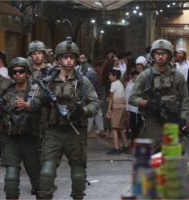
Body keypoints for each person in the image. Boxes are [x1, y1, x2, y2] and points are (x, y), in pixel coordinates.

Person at [37, 37, 99, 200]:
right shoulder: (48, 82)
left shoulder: (83, 81)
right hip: (53, 131)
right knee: (47, 172)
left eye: (72, 57)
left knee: (78, 173)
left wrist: (82, 110)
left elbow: (95, 103)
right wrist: (42, 101)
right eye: (65, 57)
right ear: (58, 59)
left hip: (76, 131)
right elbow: (35, 103)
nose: (69, 60)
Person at [0, 57, 42, 199]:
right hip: (10, 139)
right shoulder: (5, 92)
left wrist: (30, 106)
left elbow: (45, 110)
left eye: (21, 71)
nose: (17, 74)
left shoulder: (37, 91)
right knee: (11, 178)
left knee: (39, 182)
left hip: (31, 139)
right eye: (14, 72)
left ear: (28, 73)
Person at [129, 39, 189, 152]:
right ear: (153, 55)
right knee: (152, 156)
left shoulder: (178, 77)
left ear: (169, 55)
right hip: (153, 121)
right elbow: (132, 98)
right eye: (157, 53)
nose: (160, 57)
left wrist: (183, 119)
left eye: (163, 53)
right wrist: (147, 103)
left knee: (173, 154)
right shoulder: (145, 76)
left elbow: (185, 100)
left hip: (172, 120)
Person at [106, 68, 128, 155]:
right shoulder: (121, 84)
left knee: (114, 128)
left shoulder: (114, 84)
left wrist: (108, 110)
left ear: (114, 76)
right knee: (121, 127)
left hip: (117, 107)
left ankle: (116, 147)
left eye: (110, 75)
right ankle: (125, 145)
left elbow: (111, 98)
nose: (109, 77)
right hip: (123, 107)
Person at [85, 57, 106, 138]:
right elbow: (95, 88)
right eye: (100, 67)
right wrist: (99, 97)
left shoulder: (91, 74)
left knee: (98, 114)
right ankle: (87, 131)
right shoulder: (91, 75)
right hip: (92, 98)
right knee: (91, 115)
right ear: (97, 66)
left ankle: (101, 129)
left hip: (93, 98)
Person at [125, 70, 143, 146]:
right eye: (134, 77)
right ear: (132, 77)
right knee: (134, 127)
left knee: (139, 126)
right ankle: (133, 143)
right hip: (133, 109)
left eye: (137, 77)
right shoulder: (129, 86)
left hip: (140, 109)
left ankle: (137, 142)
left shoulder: (141, 85)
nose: (136, 78)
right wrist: (127, 110)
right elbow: (127, 98)